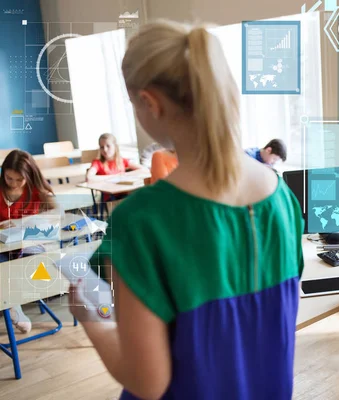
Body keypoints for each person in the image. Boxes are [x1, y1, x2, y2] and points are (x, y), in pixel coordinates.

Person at [68, 20, 304, 400]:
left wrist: (91, 318)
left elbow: (148, 382)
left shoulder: (141, 221)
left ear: (150, 102)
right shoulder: (284, 199)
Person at [0, 150, 56, 334]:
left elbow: (59, 213)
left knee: (35, 263)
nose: (14, 184)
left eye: (19, 179)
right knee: (3, 267)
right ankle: (14, 308)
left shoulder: (36, 189)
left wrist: (22, 222)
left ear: (29, 175)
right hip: (2, 246)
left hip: (28, 244)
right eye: (9, 178)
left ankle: (12, 303)